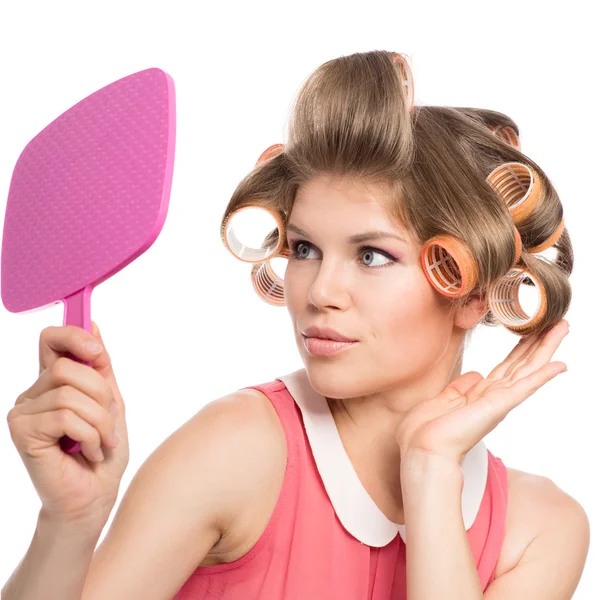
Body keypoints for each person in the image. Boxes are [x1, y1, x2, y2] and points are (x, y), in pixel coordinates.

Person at [2, 50, 589, 600]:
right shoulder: (236, 450)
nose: (319, 292)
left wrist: (432, 472)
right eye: (305, 248)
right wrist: (69, 524)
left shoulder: (540, 531)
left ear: (475, 293)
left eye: (372, 255)